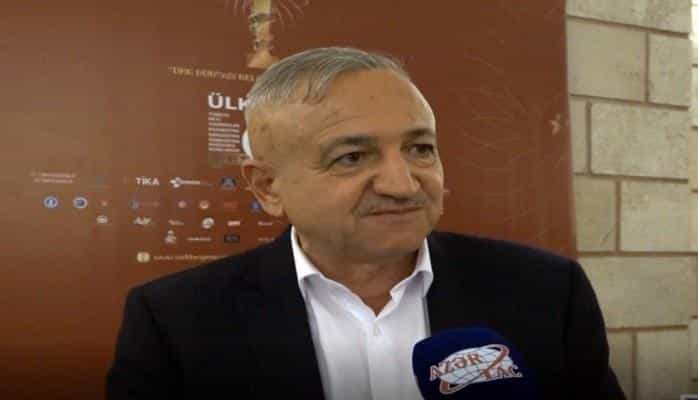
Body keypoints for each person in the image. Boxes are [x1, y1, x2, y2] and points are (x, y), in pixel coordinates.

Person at [106, 47, 625, 400]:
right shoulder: (174, 321)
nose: (403, 184)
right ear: (268, 186)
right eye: (352, 157)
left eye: (420, 149)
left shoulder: (547, 291)